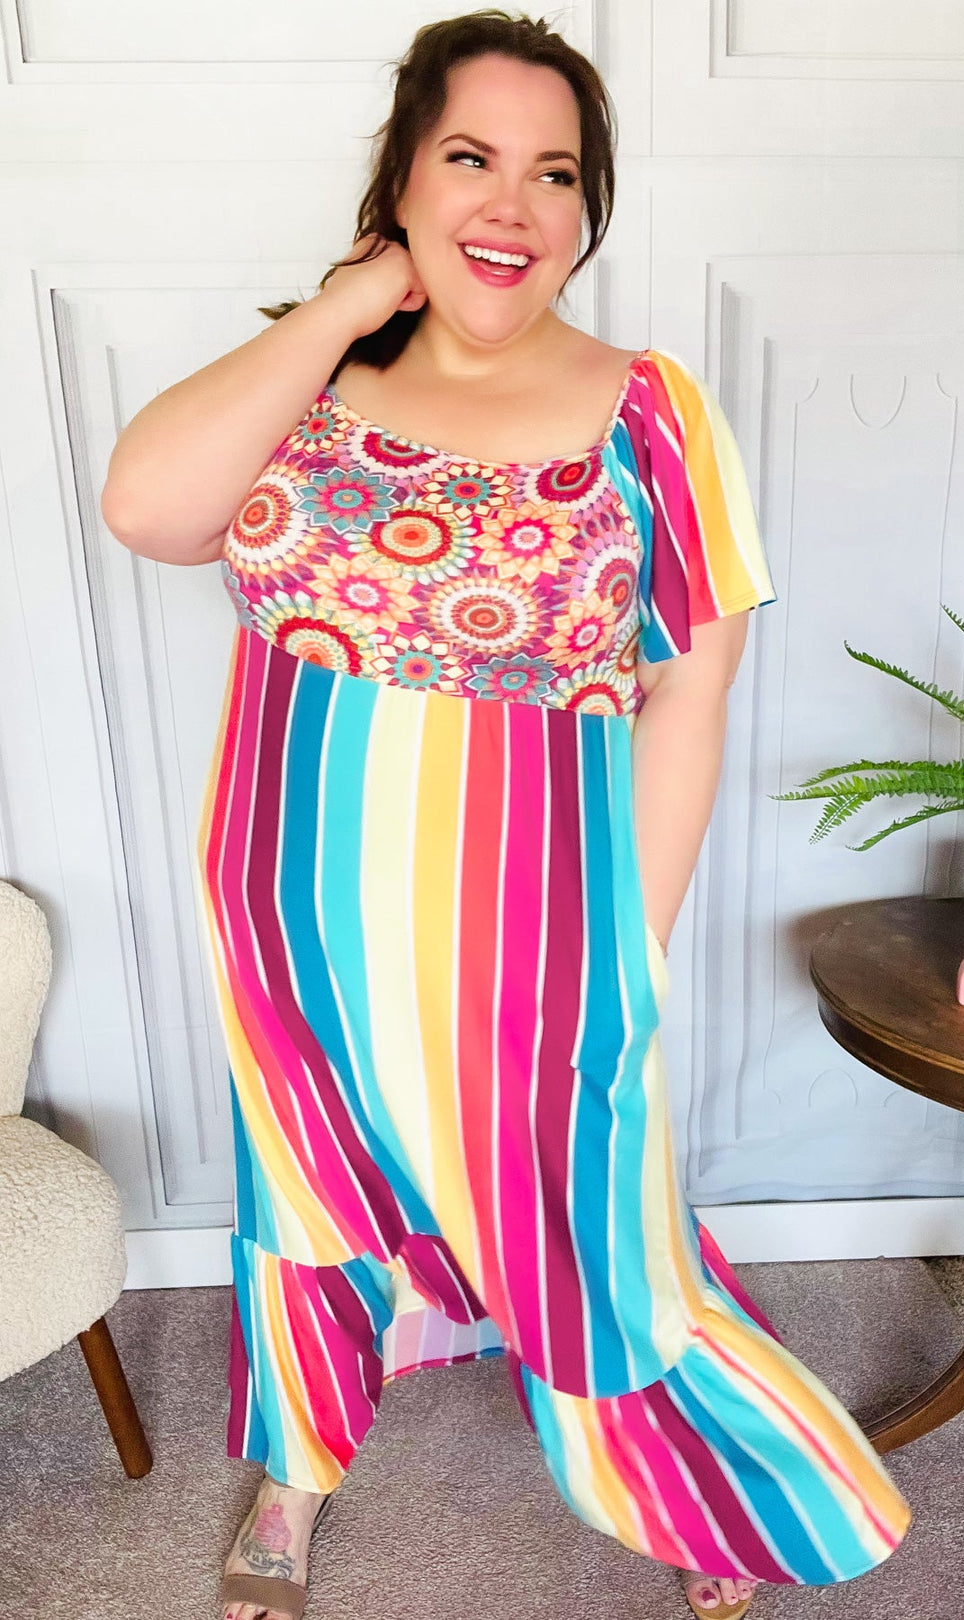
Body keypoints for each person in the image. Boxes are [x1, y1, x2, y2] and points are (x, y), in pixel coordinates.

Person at [101, 11, 912, 1619]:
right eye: (470, 157)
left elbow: (691, 694)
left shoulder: (650, 409)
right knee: (311, 1190)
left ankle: (689, 1487)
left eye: (556, 173)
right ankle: (300, 1469)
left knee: (589, 1216)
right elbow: (148, 506)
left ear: (588, 209)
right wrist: (349, 302)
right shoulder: (312, 376)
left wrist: (631, 952)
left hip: (540, 941)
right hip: (293, 924)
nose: (513, 204)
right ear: (402, 177)